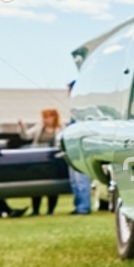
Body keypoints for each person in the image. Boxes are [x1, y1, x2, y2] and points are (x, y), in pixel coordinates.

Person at [62, 82, 92, 215]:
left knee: (81, 179)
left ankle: (83, 207)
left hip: (81, 150)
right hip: (74, 150)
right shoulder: (75, 109)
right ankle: (79, 205)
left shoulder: (81, 109)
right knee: (75, 181)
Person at [28, 108, 63, 216]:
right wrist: (21, 128)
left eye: (48, 117)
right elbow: (26, 135)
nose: (46, 120)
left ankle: (50, 209)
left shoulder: (60, 130)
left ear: (54, 118)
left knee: (52, 186)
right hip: (39, 160)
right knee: (36, 186)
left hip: (53, 161)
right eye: (44, 118)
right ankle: (35, 209)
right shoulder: (38, 128)